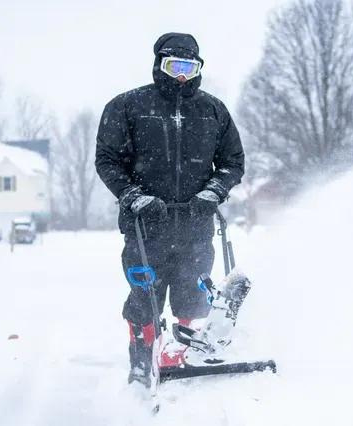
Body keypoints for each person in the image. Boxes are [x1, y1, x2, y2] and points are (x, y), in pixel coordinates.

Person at [95, 32, 245, 386]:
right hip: (146, 224)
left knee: (193, 292)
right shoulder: (127, 106)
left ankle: (183, 353)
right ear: (158, 65)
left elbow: (232, 163)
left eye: (188, 67)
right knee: (144, 293)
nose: (181, 75)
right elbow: (108, 161)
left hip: (195, 222)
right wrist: (135, 197)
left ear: (198, 68)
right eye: (173, 66)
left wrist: (212, 194)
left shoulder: (213, 111)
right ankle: (142, 353)